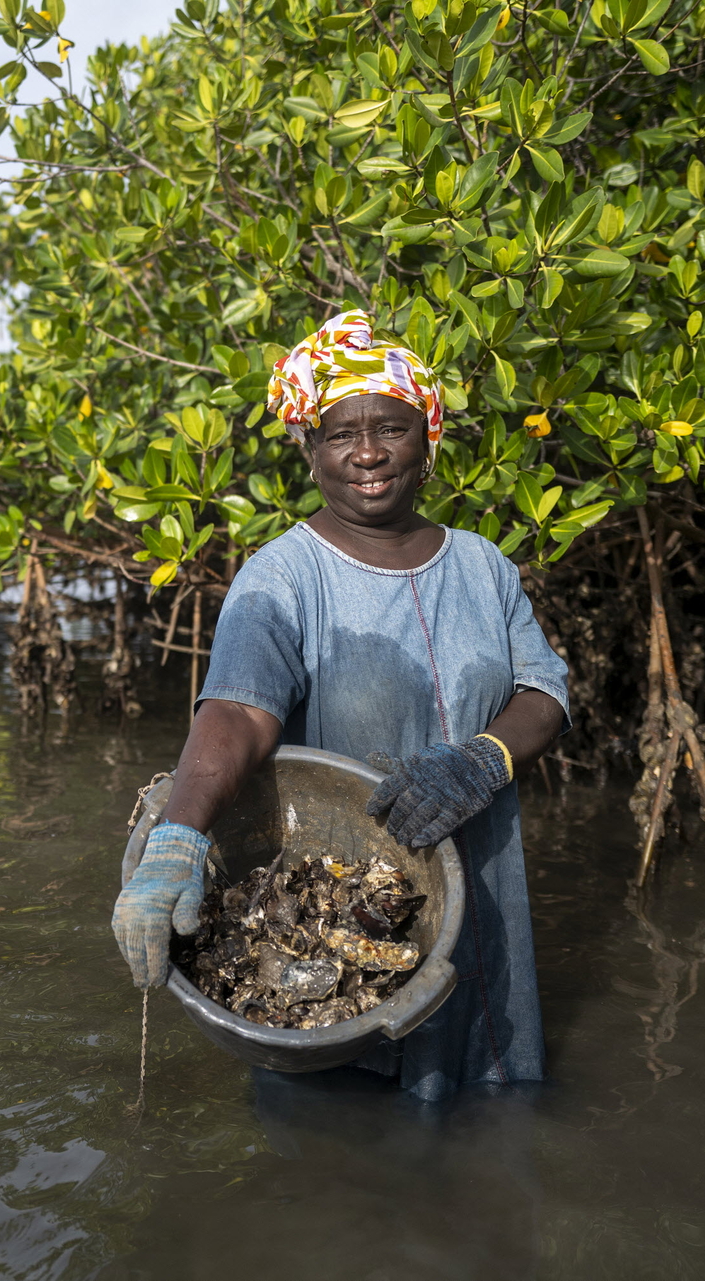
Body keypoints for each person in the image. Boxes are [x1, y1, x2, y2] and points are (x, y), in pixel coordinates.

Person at [110, 310, 570, 1100]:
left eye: (390, 427)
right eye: (338, 434)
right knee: (338, 1134)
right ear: (309, 450)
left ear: (426, 440)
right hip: (340, 918)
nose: (366, 452)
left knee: (488, 1113)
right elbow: (237, 712)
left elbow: (546, 691)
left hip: (480, 887)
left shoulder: (485, 566)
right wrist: (179, 834)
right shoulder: (282, 576)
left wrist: (485, 758)